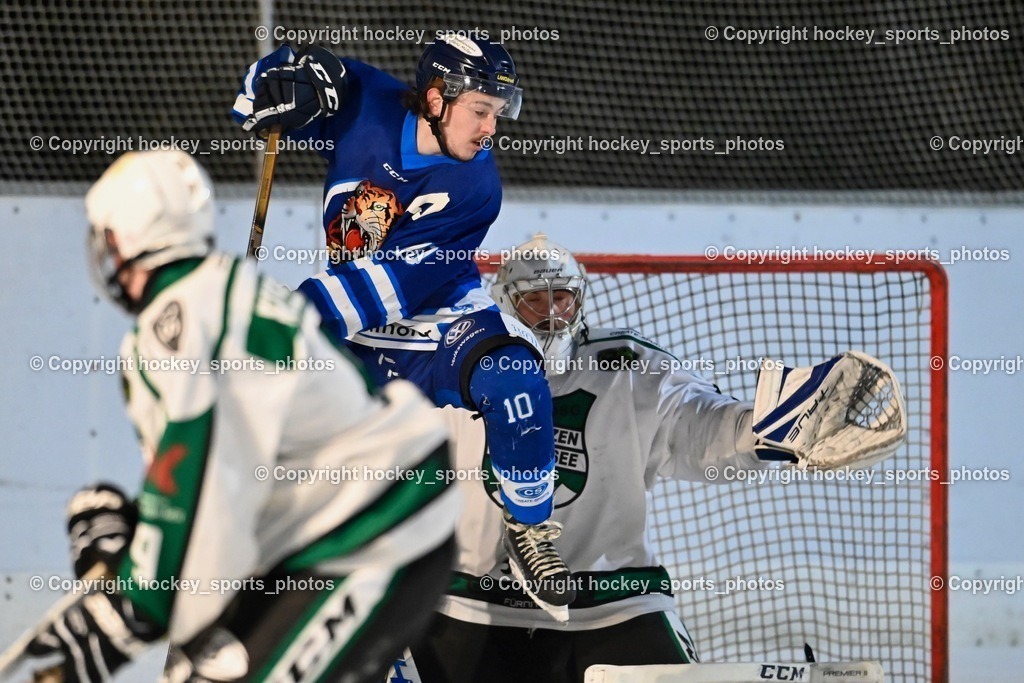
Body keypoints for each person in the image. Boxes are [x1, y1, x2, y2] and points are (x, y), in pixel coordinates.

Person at [24, 150, 460, 683]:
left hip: (373, 529)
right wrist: (136, 564)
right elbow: (224, 489)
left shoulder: (174, 322)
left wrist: (126, 613)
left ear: (125, 240)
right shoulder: (228, 289)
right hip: (357, 519)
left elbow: (196, 494)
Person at [403, 234, 906, 682]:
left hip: (616, 599)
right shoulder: (456, 367)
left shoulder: (632, 368)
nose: (552, 314)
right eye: (535, 300)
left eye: (563, 299)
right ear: (505, 304)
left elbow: (700, 426)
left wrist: (764, 432)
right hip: (473, 599)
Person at [230, 34, 575, 619]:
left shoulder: (475, 187)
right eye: (481, 111)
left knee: (517, 381)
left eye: (497, 114)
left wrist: (276, 325)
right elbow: (257, 97)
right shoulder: (363, 99)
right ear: (437, 101)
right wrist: (274, 82)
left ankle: (530, 527)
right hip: (355, 339)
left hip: (436, 328)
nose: (491, 129)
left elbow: (380, 290)